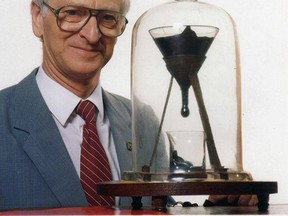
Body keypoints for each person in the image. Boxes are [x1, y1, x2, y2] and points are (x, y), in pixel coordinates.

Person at [0, 0, 257, 211]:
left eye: (108, 18)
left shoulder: (142, 121)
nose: (92, 35)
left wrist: (217, 207)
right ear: (37, 17)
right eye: (73, 13)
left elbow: (157, 209)